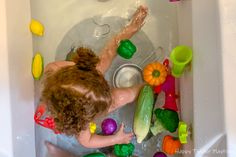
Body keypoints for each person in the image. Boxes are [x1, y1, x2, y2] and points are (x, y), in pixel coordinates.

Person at [39, 5, 148, 148]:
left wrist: (80, 71)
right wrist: (116, 139)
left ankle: (130, 29)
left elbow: (57, 68)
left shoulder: (53, 70)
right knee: (120, 97)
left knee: (101, 63)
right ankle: (148, 87)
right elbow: (87, 142)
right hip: (86, 103)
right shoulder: (81, 123)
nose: (106, 83)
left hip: (82, 77)